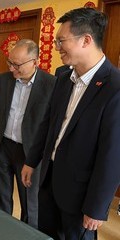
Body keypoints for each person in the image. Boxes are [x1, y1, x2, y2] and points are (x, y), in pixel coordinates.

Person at [21, 8, 120, 240]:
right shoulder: (64, 77)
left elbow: (112, 155)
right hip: (50, 181)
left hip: (81, 194)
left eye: (61, 41)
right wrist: (31, 161)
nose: (57, 47)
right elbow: (48, 124)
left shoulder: (114, 87)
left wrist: (97, 207)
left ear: (86, 40)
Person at [0, 39, 56, 228]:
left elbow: (51, 125)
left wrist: (40, 158)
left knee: (29, 201)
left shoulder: (51, 84)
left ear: (35, 61)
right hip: (3, 146)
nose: (12, 69)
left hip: (30, 153)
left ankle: (27, 232)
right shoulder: (4, 80)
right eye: (10, 63)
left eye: (17, 64)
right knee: (2, 194)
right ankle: (3, 228)